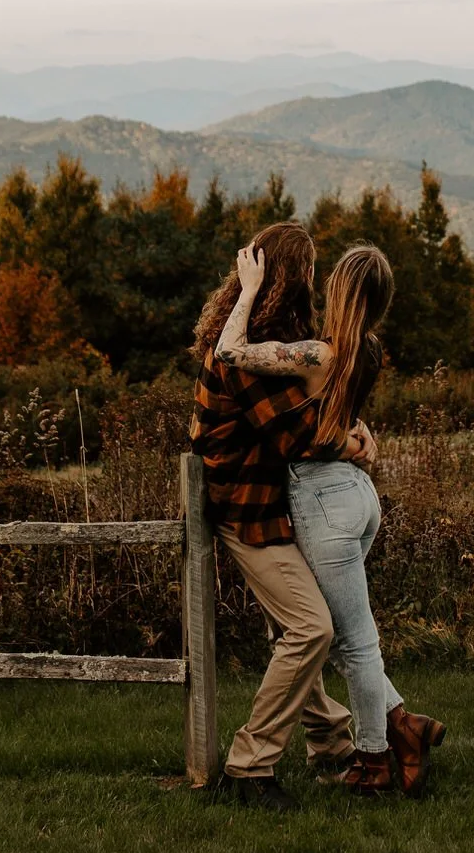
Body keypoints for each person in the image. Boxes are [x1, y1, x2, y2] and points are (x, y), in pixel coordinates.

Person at [214, 240, 446, 798]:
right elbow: (346, 416)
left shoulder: (317, 354)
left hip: (322, 499)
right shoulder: (368, 351)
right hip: (359, 497)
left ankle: (372, 761)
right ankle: (401, 724)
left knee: (356, 643)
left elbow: (228, 351)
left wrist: (246, 292)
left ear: (337, 289)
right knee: (340, 636)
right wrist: (360, 438)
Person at [189, 222, 369, 811]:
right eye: (311, 270)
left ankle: (333, 745)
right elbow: (297, 435)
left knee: (297, 628)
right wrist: (353, 444)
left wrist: (352, 430)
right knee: (310, 628)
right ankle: (251, 764)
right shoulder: (241, 351)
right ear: (296, 278)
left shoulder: (265, 337)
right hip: (248, 511)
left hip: (269, 506)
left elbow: (320, 409)